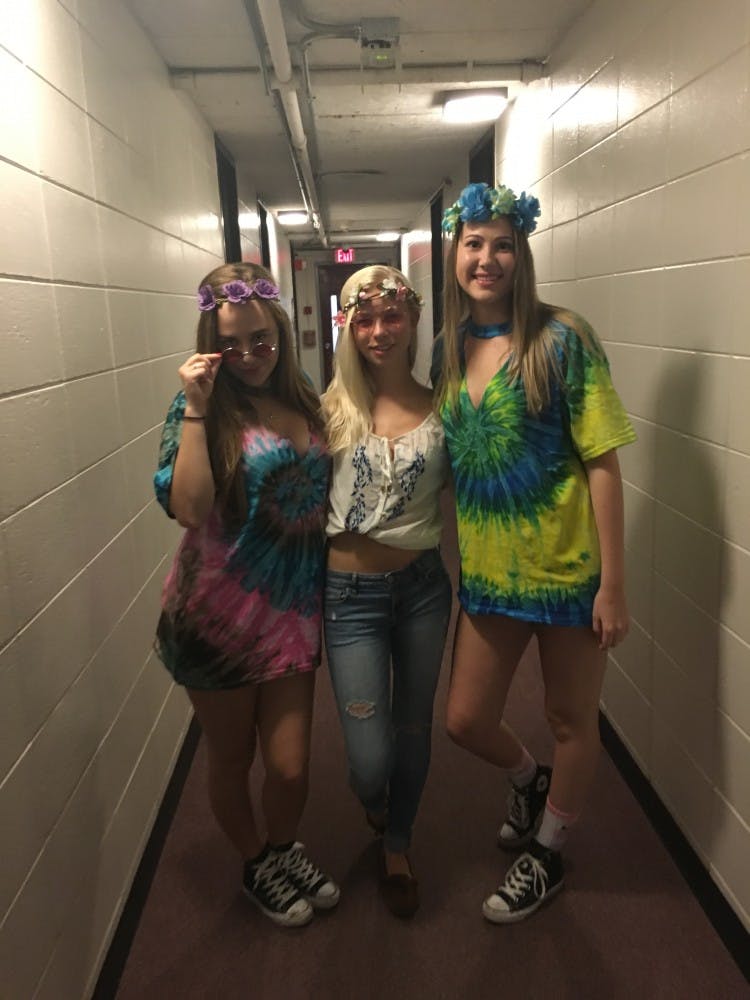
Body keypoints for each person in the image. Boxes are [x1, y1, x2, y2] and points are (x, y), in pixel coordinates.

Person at [435, 182, 636, 923]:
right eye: (474, 244)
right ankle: (527, 781)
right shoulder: (448, 350)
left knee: (569, 717)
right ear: (455, 253)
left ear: (522, 254)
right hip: (486, 574)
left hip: (566, 573)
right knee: (464, 720)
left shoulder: (563, 338)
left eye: (503, 245)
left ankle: (548, 851)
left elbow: (604, 463)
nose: (487, 259)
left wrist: (613, 584)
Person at [153, 262, 339, 928]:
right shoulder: (199, 407)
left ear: (281, 333)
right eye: (231, 344)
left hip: (290, 611)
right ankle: (257, 860)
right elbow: (189, 507)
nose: (249, 356)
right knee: (233, 757)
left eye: (261, 339)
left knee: (290, 767)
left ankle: (284, 847)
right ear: (212, 342)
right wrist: (200, 407)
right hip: (218, 619)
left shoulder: (305, 392)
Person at [322, 265, 452, 918]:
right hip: (350, 599)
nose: (379, 331)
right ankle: (377, 804)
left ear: (412, 320)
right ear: (348, 327)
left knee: (414, 727)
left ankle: (398, 842)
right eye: (364, 319)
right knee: (368, 757)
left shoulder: (443, 407)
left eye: (392, 315)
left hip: (425, 590)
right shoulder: (328, 410)